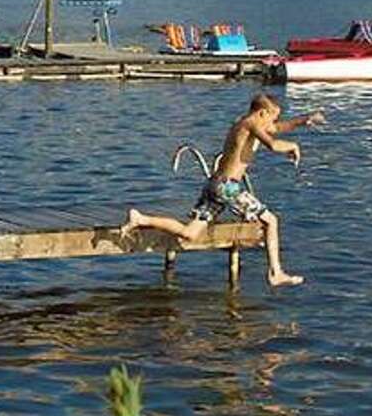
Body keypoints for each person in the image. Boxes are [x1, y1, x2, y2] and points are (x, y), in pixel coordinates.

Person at [124, 92, 324, 288]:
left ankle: (141, 219)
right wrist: (293, 146)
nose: (272, 123)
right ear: (262, 113)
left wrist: (304, 120)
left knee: (190, 233)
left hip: (215, 185)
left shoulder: (246, 124)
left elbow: (276, 128)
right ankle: (275, 273)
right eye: (272, 116)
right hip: (228, 188)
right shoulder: (250, 123)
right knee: (271, 220)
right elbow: (272, 144)